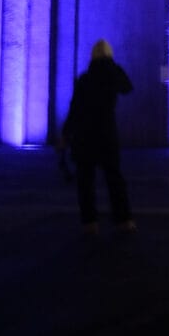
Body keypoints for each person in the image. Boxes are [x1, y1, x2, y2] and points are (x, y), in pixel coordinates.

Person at [61, 38, 135, 232]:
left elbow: (74, 109)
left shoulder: (84, 79)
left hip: (84, 137)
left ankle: (90, 222)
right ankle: (123, 219)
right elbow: (128, 87)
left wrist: (65, 134)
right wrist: (114, 66)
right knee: (114, 179)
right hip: (106, 135)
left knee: (85, 182)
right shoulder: (113, 77)